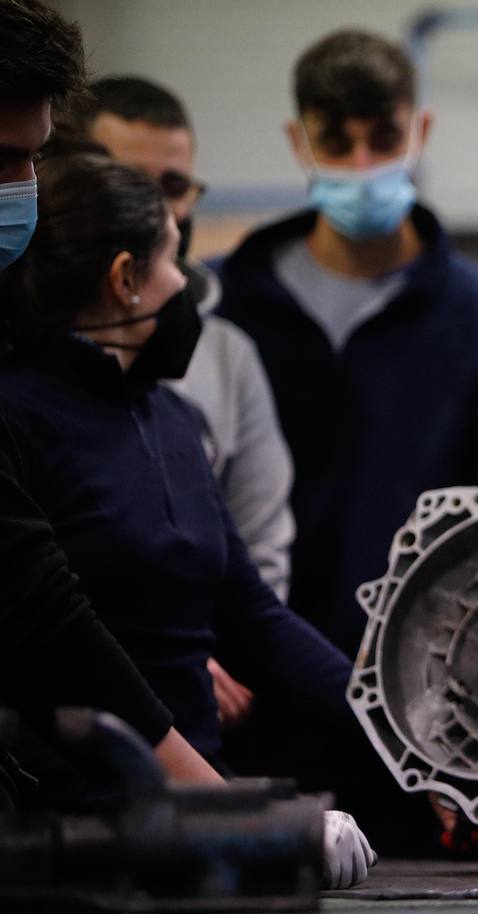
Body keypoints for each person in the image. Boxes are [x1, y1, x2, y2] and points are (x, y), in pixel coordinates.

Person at [0, 150, 374, 883]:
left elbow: (253, 617)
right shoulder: (17, 419)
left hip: (184, 816)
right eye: (176, 257)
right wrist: (227, 809)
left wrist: (407, 741)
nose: (190, 288)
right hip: (74, 830)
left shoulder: (169, 417)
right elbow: (67, 650)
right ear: (125, 279)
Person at [215, 29, 478, 657]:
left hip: (423, 689)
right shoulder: (219, 311)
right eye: (337, 143)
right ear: (298, 141)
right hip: (240, 678)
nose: (363, 165)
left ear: (420, 130)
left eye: (384, 139)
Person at [0, 0, 219, 794]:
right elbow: (32, 608)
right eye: (2, 159)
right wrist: (210, 801)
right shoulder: (27, 407)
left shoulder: (167, 418)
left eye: (35, 158)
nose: (26, 188)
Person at [62, 76, 296, 732]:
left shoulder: (212, 369)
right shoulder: (32, 392)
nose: (163, 212)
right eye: (137, 185)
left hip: (196, 701)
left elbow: (256, 562)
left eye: (176, 189)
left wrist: (209, 653)